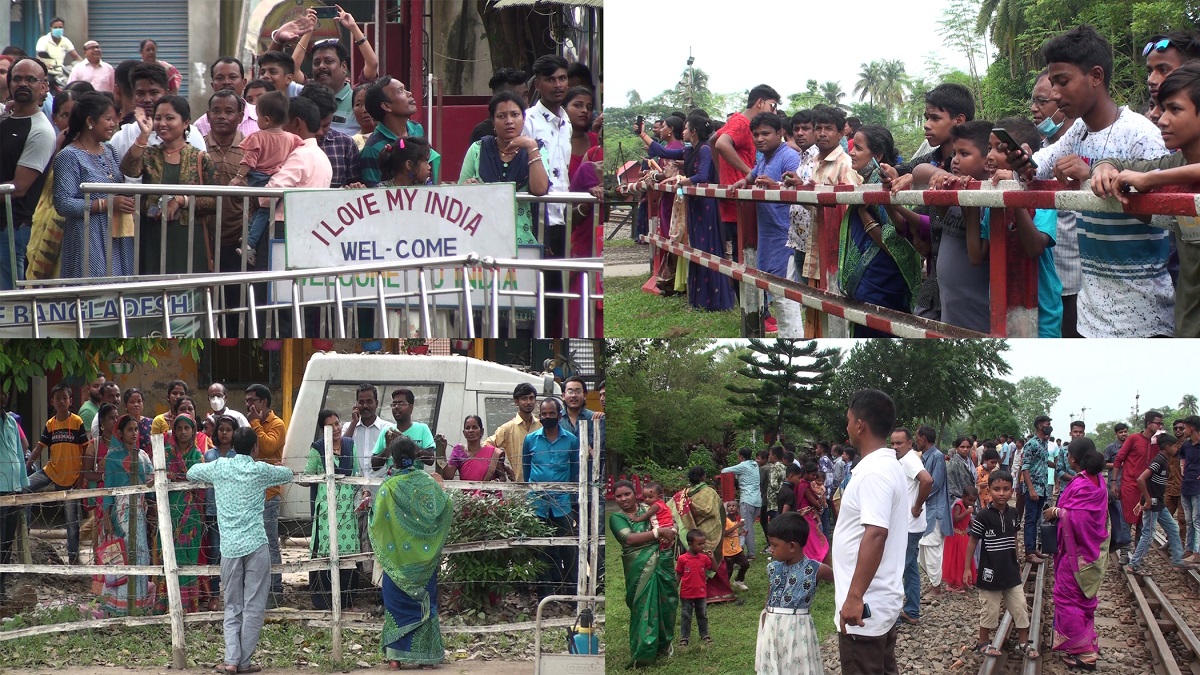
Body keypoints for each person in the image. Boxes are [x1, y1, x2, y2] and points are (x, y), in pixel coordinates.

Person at [1007, 24, 1172, 337]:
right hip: (1090, 317)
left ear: (1096, 76)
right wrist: (1022, 163)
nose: (1054, 94)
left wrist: (1092, 177)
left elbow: (1170, 213)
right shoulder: (1077, 134)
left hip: (1143, 319)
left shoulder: (1141, 134)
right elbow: (1039, 166)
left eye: (1063, 82)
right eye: (1052, 83)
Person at [188, 426, 293, 674]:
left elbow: (192, 472)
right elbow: (288, 474)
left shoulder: (221, 466)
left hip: (230, 546)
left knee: (232, 605)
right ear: (255, 448)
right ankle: (244, 662)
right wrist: (273, 465)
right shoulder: (260, 470)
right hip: (256, 543)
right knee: (254, 605)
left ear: (233, 446)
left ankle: (231, 660)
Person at [880, 83, 977, 320]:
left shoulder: (974, 164)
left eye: (934, 118)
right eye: (926, 117)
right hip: (935, 273)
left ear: (959, 120)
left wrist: (912, 176)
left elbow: (918, 171)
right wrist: (891, 173)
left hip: (968, 274)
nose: (926, 124)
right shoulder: (928, 158)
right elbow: (902, 169)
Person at [834, 389, 907, 674]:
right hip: (879, 601)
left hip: (865, 608)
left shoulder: (874, 473)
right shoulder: (887, 465)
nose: (847, 426)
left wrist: (854, 597)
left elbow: (876, 534)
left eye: (849, 419)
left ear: (860, 424)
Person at [369, 435, 452, 668]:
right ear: (416, 455)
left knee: (396, 607)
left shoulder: (388, 488)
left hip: (397, 562)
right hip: (424, 561)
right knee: (424, 605)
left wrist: (368, 512)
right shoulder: (427, 483)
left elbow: (377, 522)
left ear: (392, 460)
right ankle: (426, 659)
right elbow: (446, 506)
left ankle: (395, 659)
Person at [119, 95, 217, 275]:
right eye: (158, 118)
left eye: (170, 118)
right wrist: (144, 135)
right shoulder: (150, 154)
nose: (162, 123)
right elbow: (129, 169)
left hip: (188, 236)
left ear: (186, 122)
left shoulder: (201, 158)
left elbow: (214, 202)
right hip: (152, 235)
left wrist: (182, 200)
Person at [840, 125, 923, 335]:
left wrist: (863, 214)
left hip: (881, 284)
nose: (851, 152)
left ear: (877, 155)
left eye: (858, 148)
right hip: (870, 284)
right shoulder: (869, 183)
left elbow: (895, 242)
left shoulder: (887, 186)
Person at [730, 113, 802, 335]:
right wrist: (744, 181)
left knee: (785, 295)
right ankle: (784, 336)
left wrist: (777, 185)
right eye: (755, 135)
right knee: (774, 292)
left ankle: (792, 340)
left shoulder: (789, 157)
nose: (759, 139)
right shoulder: (763, 158)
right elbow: (752, 175)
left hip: (785, 235)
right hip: (768, 235)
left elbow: (798, 188)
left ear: (780, 133)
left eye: (765, 134)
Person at [656, 112, 735, 310]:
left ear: (693, 131)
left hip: (707, 205)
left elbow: (702, 175)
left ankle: (714, 300)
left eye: (685, 128)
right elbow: (664, 152)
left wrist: (683, 181)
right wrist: (642, 135)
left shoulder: (705, 150)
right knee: (696, 247)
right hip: (695, 204)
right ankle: (699, 297)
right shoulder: (689, 150)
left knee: (707, 248)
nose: (682, 132)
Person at [1043, 438, 1109, 670]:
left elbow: (1077, 518)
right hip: (1091, 550)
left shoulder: (1082, 485)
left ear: (1072, 457)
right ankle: (1083, 643)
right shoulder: (1098, 480)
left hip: (1077, 554)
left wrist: (1057, 511)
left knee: (1067, 597)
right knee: (1083, 598)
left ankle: (1085, 651)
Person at [251, 97, 333, 269]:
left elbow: (269, 196)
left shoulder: (300, 155)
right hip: (308, 228)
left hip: (283, 228)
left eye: (281, 122)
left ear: (296, 123)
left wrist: (252, 193)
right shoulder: (321, 156)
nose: (278, 129)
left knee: (267, 290)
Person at [459, 91, 550, 247]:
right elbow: (460, 194)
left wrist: (531, 146)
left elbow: (540, 189)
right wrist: (469, 189)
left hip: (523, 241)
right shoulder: (478, 149)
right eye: (501, 116)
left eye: (515, 115)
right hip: (481, 239)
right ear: (493, 122)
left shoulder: (536, 149)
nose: (509, 121)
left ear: (523, 118)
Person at [965, 470, 1039, 660]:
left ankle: (1023, 643)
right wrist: (967, 568)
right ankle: (983, 642)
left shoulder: (1014, 513)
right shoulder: (983, 516)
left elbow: (1014, 537)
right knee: (990, 608)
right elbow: (973, 541)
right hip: (989, 571)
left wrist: (1017, 560)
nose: (1001, 493)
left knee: (1020, 606)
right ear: (988, 490)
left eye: (1006, 489)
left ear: (1012, 491)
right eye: (996, 489)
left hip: (1010, 571)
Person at [229, 90, 304, 261]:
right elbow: (301, 148)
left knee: (260, 212)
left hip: (258, 179)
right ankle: (249, 238)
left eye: (258, 117)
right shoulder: (292, 138)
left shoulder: (257, 138)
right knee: (263, 212)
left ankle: (249, 242)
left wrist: (239, 177)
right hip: (278, 181)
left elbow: (249, 161)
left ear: (267, 120)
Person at [609, 479, 677, 667]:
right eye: (619, 496)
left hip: (663, 561)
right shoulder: (617, 518)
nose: (623, 499)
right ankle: (644, 652)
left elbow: (670, 521)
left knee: (667, 601)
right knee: (642, 607)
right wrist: (658, 534)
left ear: (635, 493)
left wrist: (672, 530)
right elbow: (629, 539)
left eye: (627, 494)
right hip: (638, 568)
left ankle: (664, 644)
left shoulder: (649, 508)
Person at [756, 511, 833, 675]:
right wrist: (765, 624)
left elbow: (843, 580)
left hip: (798, 629)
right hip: (772, 626)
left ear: (792, 546)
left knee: (797, 667)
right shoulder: (772, 568)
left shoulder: (815, 569)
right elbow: (769, 600)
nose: (770, 549)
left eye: (774, 545)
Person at [1, 57, 54, 289]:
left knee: (6, 305)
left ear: (43, 87)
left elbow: (19, 187)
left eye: (30, 79)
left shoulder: (41, 131)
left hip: (10, 230)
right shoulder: (5, 120)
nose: (23, 83)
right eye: (17, 78)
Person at [522, 398, 580, 598]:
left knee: (568, 551)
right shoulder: (530, 440)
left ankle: (573, 597)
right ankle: (545, 597)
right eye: (544, 414)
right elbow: (526, 469)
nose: (547, 417)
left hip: (562, 505)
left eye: (551, 414)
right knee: (541, 553)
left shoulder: (571, 440)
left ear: (559, 415)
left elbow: (575, 471)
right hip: (537, 505)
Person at [715, 85, 781, 257]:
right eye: (772, 106)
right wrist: (751, 173)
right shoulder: (742, 123)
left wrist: (721, 173)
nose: (774, 112)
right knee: (745, 256)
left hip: (737, 195)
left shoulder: (737, 119)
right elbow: (720, 143)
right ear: (760, 103)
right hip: (740, 198)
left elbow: (714, 139)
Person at [99, 414, 156, 615]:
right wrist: (106, 518)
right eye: (129, 430)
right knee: (121, 555)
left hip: (140, 511)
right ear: (120, 433)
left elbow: (150, 486)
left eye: (136, 429)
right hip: (120, 512)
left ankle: (138, 602)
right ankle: (118, 605)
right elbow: (108, 491)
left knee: (141, 554)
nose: (134, 433)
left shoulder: (143, 456)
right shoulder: (113, 459)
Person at [24, 383, 85, 564]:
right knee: (25, 486)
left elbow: (85, 449)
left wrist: (81, 476)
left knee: (71, 521)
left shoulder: (76, 422)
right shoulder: (50, 424)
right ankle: (25, 536)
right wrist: (26, 466)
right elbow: (38, 448)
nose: (61, 401)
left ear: (70, 401)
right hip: (51, 470)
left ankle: (73, 558)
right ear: (52, 401)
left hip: (72, 476)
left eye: (64, 398)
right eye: (58, 398)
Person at [306, 409, 358, 610]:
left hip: (347, 510)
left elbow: (357, 473)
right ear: (323, 429)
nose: (336, 428)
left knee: (346, 553)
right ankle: (323, 600)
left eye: (337, 423)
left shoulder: (350, 445)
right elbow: (308, 476)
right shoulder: (317, 449)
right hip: (326, 512)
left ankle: (346, 599)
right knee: (325, 551)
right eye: (330, 425)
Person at [1127, 432, 1197, 572]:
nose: (1177, 449)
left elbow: (1148, 482)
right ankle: (1133, 564)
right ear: (1167, 447)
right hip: (1153, 504)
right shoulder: (1158, 461)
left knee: (1173, 528)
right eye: (1175, 446)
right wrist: (1146, 500)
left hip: (1159, 503)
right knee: (1149, 535)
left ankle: (1177, 560)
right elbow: (1141, 479)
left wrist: (1141, 501)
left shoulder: (1163, 461)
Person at [668, 466, 736, 603]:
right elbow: (717, 511)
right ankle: (720, 593)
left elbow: (669, 509)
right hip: (709, 533)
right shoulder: (709, 492)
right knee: (713, 559)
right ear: (703, 477)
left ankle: (697, 593)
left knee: (694, 561)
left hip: (691, 533)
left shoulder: (681, 495)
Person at [244, 383, 286, 605]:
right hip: (251, 492)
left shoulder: (276, 424)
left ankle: (275, 589)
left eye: (252, 400)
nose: (248, 404)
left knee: (270, 542)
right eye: (247, 401)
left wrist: (255, 424)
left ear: (264, 403)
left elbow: (268, 447)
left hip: (269, 493)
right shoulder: (251, 423)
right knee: (252, 543)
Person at [110, 64, 206, 161]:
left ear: (167, 93)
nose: (147, 99)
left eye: (154, 93)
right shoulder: (122, 138)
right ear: (134, 97)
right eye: (140, 94)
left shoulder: (191, 134)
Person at [307, 15, 379, 136]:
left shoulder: (357, 98)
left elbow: (372, 64)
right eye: (317, 62)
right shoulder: (307, 97)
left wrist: (353, 27)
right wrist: (307, 31)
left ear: (344, 66)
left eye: (329, 61)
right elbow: (291, 72)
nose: (321, 66)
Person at [361, 76, 441, 186]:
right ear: (386, 106)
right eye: (400, 91)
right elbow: (373, 193)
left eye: (405, 89)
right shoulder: (372, 148)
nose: (409, 93)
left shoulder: (417, 128)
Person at [165, 413, 205, 612]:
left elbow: (201, 489)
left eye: (186, 428)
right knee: (169, 555)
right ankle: (168, 604)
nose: (183, 432)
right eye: (179, 428)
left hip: (191, 514)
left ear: (193, 430)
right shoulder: (166, 454)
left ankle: (188, 605)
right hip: (169, 511)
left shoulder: (198, 456)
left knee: (188, 557)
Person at [893, 427, 932, 625]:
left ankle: (892, 614)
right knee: (910, 569)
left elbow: (927, 480)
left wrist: (917, 505)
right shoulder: (905, 460)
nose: (895, 447)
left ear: (910, 443)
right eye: (892, 443)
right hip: (911, 526)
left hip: (909, 527)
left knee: (897, 569)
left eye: (899, 443)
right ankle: (911, 611)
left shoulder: (909, 460)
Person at [202, 415, 239, 612]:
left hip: (233, 513)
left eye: (228, 429)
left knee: (234, 553)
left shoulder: (237, 456)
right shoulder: (209, 455)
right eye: (221, 429)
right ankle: (215, 594)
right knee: (215, 552)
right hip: (213, 510)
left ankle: (233, 594)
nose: (224, 433)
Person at [1114, 410, 1164, 550]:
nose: (1160, 426)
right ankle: (1124, 552)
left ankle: (1137, 554)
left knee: (1143, 520)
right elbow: (1119, 460)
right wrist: (1113, 483)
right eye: (1158, 423)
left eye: (1161, 423)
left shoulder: (1158, 443)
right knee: (1127, 518)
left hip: (1147, 488)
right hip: (1130, 485)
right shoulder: (1134, 439)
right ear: (1149, 424)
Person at [297, 83, 362, 189]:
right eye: (314, 125)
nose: (320, 132)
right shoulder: (286, 144)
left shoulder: (345, 145)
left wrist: (355, 188)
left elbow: (355, 187)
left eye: (326, 125)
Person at [917, 425, 951, 597]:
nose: (916, 441)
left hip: (934, 510)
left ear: (923, 438)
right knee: (923, 551)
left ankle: (936, 588)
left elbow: (934, 484)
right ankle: (934, 583)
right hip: (926, 510)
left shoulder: (936, 457)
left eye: (917, 437)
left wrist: (918, 499)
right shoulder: (925, 457)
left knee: (932, 549)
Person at [484, 383, 539, 482]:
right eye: (524, 398)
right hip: (519, 486)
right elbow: (486, 446)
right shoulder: (508, 428)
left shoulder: (541, 426)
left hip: (541, 484)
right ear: (516, 401)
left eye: (531, 398)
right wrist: (504, 466)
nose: (528, 402)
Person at [194, 58, 259, 138]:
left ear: (244, 83)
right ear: (212, 85)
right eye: (220, 78)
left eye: (233, 77)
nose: (226, 82)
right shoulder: (200, 126)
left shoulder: (260, 116)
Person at [721, 447, 764, 558]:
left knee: (746, 527)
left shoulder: (743, 466)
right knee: (749, 526)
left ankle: (748, 553)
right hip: (757, 501)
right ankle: (744, 550)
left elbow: (724, 471)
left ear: (741, 456)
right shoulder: (755, 464)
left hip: (747, 500)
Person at [442, 415, 513, 482]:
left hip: (488, 494)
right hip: (466, 494)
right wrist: (442, 451)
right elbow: (448, 476)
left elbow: (502, 477)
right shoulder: (459, 451)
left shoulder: (493, 453)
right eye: (467, 428)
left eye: (474, 427)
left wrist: (492, 487)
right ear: (464, 433)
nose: (471, 430)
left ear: (481, 431)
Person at [676, 528, 714, 647]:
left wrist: (712, 558)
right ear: (690, 544)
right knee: (686, 615)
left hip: (701, 593)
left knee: (702, 615)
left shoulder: (704, 558)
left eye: (703, 543)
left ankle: (704, 635)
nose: (702, 546)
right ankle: (684, 637)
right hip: (686, 593)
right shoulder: (682, 559)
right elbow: (678, 574)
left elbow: (714, 569)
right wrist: (674, 588)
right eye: (699, 544)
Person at [942, 484, 978, 593]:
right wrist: (967, 512)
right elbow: (955, 519)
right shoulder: (959, 505)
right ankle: (954, 583)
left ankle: (964, 581)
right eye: (969, 500)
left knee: (963, 559)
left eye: (973, 501)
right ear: (963, 497)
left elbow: (969, 521)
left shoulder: (967, 507)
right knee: (955, 560)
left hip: (963, 535)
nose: (971, 503)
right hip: (955, 536)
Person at [564, 86, 599, 181]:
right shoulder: (554, 140)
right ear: (564, 109)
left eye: (589, 107)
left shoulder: (597, 140)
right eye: (578, 105)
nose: (585, 111)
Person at [35, 17, 80, 83]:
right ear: (51, 29)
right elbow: (38, 56)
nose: (58, 29)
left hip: (60, 72)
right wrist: (46, 64)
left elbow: (76, 56)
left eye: (60, 27)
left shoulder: (65, 41)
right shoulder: (43, 40)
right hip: (47, 72)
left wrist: (83, 64)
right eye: (55, 27)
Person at [721, 500, 750, 591]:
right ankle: (724, 588)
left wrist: (741, 533)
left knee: (745, 564)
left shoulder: (735, 519)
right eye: (729, 506)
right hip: (728, 550)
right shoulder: (725, 520)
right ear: (727, 509)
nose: (731, 507)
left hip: (737, 549)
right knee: (729, 571)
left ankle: (739, 581)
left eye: (734, 506)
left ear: (738, 509)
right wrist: (737, 526)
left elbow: (732, 533)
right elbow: (725, 533)